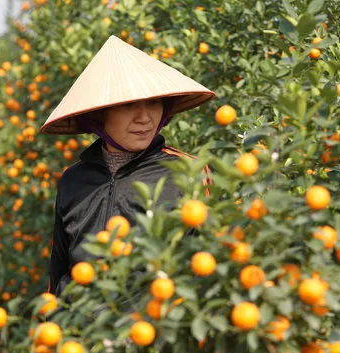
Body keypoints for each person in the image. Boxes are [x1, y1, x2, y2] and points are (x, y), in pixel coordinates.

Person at [39, 35, 215, 297]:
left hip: (152, 330)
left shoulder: (188, 172)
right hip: (82, 334)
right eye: (128, 104)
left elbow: (211, 264)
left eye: (153, 102)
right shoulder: (73, 181)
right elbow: (59, 270)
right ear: (100, 113)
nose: (144, 118)